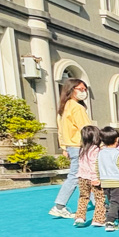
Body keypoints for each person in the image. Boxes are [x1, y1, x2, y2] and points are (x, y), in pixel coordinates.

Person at [49, 78, 92, 219]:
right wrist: (97, 143)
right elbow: (86, 129)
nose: (83, 92)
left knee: (86, 175)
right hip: (80, 145)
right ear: (71, 89)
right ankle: (59, 206)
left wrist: (64, 147)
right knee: (78, 175)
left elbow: (61, 130)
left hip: (71, 146)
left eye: (85, 89)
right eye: (80, 89)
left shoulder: (64, 107)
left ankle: (99, 202)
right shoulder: (77, 108)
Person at [73, 125, 104, 228]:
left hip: (82, 177)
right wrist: (96, 178)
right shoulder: (96, 150)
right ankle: (98, 219)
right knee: (99, 198)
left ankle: (79, 217)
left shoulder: (82, 149)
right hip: (93, 177)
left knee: (83, 197)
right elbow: (94, 164)